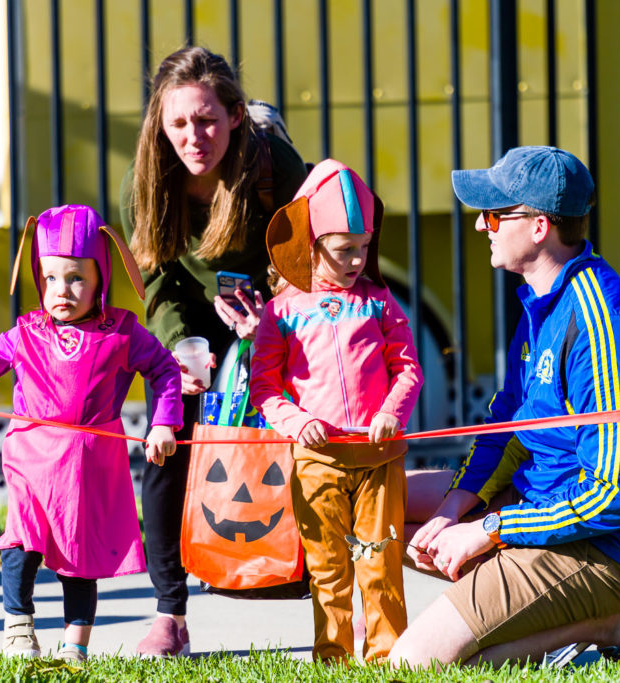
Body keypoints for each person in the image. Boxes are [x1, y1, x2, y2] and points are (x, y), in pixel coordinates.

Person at [389, 146, 620, 668]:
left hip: (614, 547)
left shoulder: (606, 327)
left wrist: (488, 530)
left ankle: (613, 622)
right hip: (545, 505)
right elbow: (509, 420)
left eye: (492, 215)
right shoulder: (539, 302)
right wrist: (457, 504)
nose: (482, 227)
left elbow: (615, 496)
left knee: (414, 663)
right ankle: (540, 605)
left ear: (538, 226)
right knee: (378, 506)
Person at [0, 204, 183, 662]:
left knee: (78, 554)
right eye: (50, 278)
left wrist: (164, 421)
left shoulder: (121, 333)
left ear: (101, 279)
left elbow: (166, 371)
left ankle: (75, 645)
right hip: (31, 455)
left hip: (87, 464)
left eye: (75, 278)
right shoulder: (26, 333)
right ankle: (18, 626)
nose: (61, 291)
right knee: (22, 540)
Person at [119, 45, 307, 657]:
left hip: (272, 312)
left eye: (205, 120)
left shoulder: (273, 163)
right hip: (192, 321)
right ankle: (169, 613)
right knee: (170, 447)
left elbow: (310, 260)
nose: (193, 136)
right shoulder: (146, 180)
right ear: (159, 123)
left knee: (296, 443)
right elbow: (155, 278)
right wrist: (178, 348)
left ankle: (320, 587)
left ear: (231, 114)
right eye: (178, 123)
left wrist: (268, 319)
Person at [249, 159, 424, 662]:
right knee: (328, 567)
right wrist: (297, 421)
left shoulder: (379, 302)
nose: (357, 260)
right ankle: (333, 659)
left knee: (380, 564)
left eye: (364, 247)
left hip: (378, 458)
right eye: (345, 249)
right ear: (311, 242)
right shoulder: (280, 311)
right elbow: (264, 386)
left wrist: (392, 412)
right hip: (317, 461)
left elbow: (408, 367)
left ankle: (389, 657)